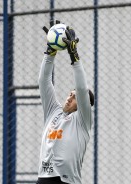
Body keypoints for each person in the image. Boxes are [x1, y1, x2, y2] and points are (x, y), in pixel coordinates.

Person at [36, 20, 94, 184]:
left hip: (67, 181)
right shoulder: (53, 112)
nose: (69, 97)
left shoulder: (82, 121)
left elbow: (82, 89)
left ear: (84, 104)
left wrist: (74, 56)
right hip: (43, 178)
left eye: (74, 97)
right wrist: (50, 53)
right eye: (69, 94)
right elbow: (44, 81)